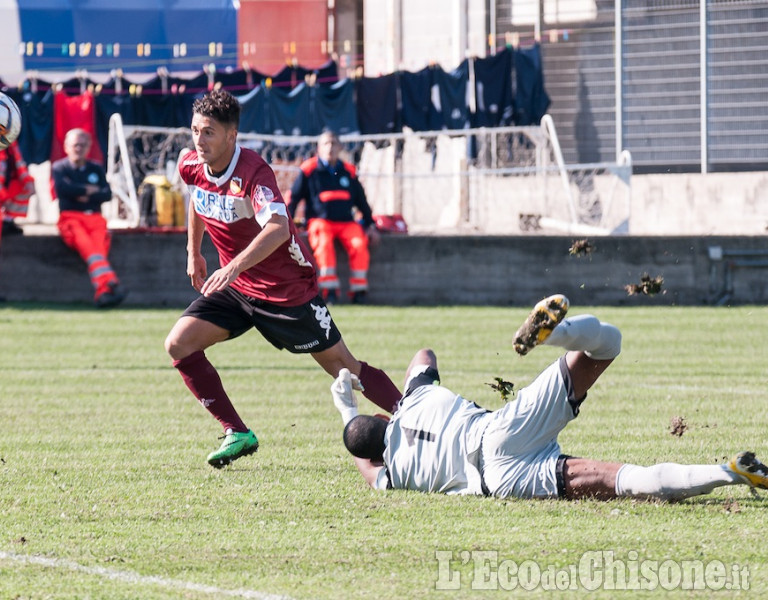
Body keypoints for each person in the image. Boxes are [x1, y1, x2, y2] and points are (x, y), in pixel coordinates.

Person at [165, 89, 401, 469]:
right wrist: (194, 252)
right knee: (179, 343)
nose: (199, 140)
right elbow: (197, 196)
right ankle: (237, 432)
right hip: (237, 288)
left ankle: (416, 415)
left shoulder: (254, 173)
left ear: (231, 135)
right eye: (195, 130)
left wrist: (233, 266)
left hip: (285, 292)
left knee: (345, 367)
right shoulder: (191, 163)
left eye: (208, 132)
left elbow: (276, 227)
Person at [334, 294, 768, 500]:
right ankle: (556, 335)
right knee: (607, 346)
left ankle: (728, 472)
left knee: (622, 479)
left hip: (499, 482)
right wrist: (376, 402)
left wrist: (344, 414)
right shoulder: (416, 396)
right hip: (498, 431)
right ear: (385, 419)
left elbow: (367, 472)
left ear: (380, 454)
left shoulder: (394, 475)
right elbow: (422, 355)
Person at [288, 130, 379, 304]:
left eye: (333, 143)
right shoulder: (309, 170)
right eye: (326, 144)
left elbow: (362, 201)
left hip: (347, 223)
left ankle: (359, 292)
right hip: (320, 222)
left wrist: (370, 225)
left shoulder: (348, 172)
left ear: (340, 147)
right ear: (318, 148)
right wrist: (287, 225)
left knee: (359, 245)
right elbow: (294, 198)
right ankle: (329, 291)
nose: (330, 148)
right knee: (324, 246)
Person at [52, 128, 127, 308]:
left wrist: (79, 191)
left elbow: (107, 194)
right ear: (67, 147)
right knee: (89, 248)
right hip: (71, 218)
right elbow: (63, 190)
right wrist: (90, 190)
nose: (79, 148)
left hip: (95, 219)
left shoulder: (96, 168)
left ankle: (103, 294)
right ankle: (111, 281)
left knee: (98, 251)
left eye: (83, 145)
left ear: (89, 147)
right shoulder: (59, 167)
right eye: (76, 145)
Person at [0, 141, 35, 241]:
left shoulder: (10, 142)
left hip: (6, 184)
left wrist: (27, 181)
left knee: (25, 186)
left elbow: (19, 163)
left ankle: (7, 220)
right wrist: (3, 196)